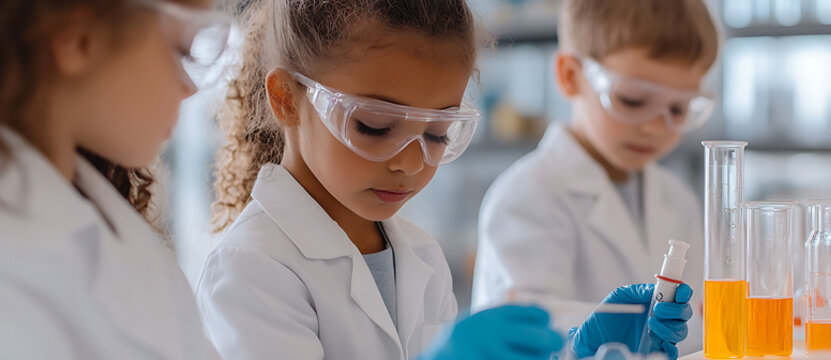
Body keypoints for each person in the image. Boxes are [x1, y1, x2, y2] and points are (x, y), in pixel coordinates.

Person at [195, 0, 693, 359]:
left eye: (437, 134)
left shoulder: (418, 254)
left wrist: (580, 349)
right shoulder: (252, 270)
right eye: (373, 126)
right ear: (286, 98)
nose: (411, 163)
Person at [471, 0, 722, 354]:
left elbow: (694, 329)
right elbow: (518, 338)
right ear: (571, 76)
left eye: (678, 109)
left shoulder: (676, 198)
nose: (654, 127)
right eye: (633, 100)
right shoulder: (527, 196)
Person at [0, 0, 229, 358]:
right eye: (184, 45)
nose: (191, 90)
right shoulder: (14, 271)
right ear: (78, 39)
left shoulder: (101, 218)